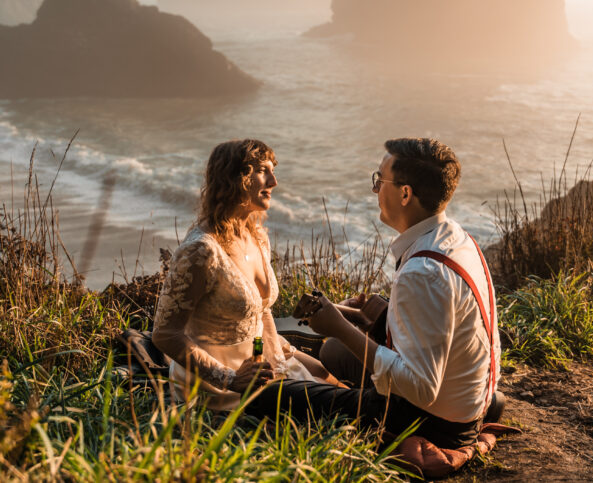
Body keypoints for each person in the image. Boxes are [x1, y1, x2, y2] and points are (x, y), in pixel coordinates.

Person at [246, 137, 502, 449]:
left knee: (268, 396)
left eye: (379, 180)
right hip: (467, 402)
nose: (375, 189)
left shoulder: (422, 273)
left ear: (405, 193)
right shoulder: (456, 238)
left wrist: (338, 327)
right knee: (333, 352)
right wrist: (367, 318)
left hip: (428, 422)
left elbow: (422, 389)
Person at [152, 139, 334, 410]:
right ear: (234, 177)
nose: (273, 181)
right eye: (263, 170)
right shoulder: (200, 251)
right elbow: (165, 334)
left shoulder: (255, 236)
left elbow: (262, 312)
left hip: (261, 363)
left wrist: (282, 361)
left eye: (273, 171)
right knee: (339, 404)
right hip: (219, 386)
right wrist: (230, 379)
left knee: (331, 378)